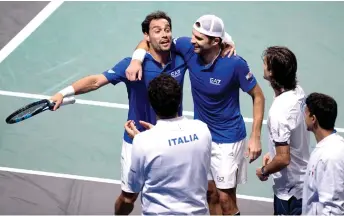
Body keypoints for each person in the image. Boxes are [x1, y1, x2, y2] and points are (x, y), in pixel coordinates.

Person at [49, 11, 188, 213]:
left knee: (170, 195)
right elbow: (96, 81)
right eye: (157, 31)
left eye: (167, 30)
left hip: (170, 141)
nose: (164, 35)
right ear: (146, 36)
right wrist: (63, 93)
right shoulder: (131, 65)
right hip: (136, 141)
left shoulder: (181, 58)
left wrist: (228, 43)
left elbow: (208, 44)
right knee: (128, 198)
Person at [126, 14, 265, 215]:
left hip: (228, 138)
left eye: (198, 39)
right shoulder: (188, 49)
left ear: (216, 41)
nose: (192, 41)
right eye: (193, 36)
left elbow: (258, 96)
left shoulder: (235, 63)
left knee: (226, 198)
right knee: (210, 194)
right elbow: (149, 39)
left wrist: (256, 136)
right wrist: (136, 60)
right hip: (202, 137)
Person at [115, 73, 212, 215]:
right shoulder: (202, 129)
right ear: (179, 100)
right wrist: (151, 137)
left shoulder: (143, 142)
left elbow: (129, 198)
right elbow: (177, 145)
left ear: (152, 104)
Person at [255, 46, 310, 215]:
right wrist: (272, 153)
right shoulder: (298, 92)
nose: (263, 66)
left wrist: (264, 171)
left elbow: (283, 158)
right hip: (303, 181)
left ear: (272, 73)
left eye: (265, 64)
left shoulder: (279, 110)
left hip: (289, 193)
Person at [302, 92, 344, 215]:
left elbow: (333, 209)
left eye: (305, 112)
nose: (303, 116)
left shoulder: (330, 157)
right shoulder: (331, 146)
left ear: (313, 119)